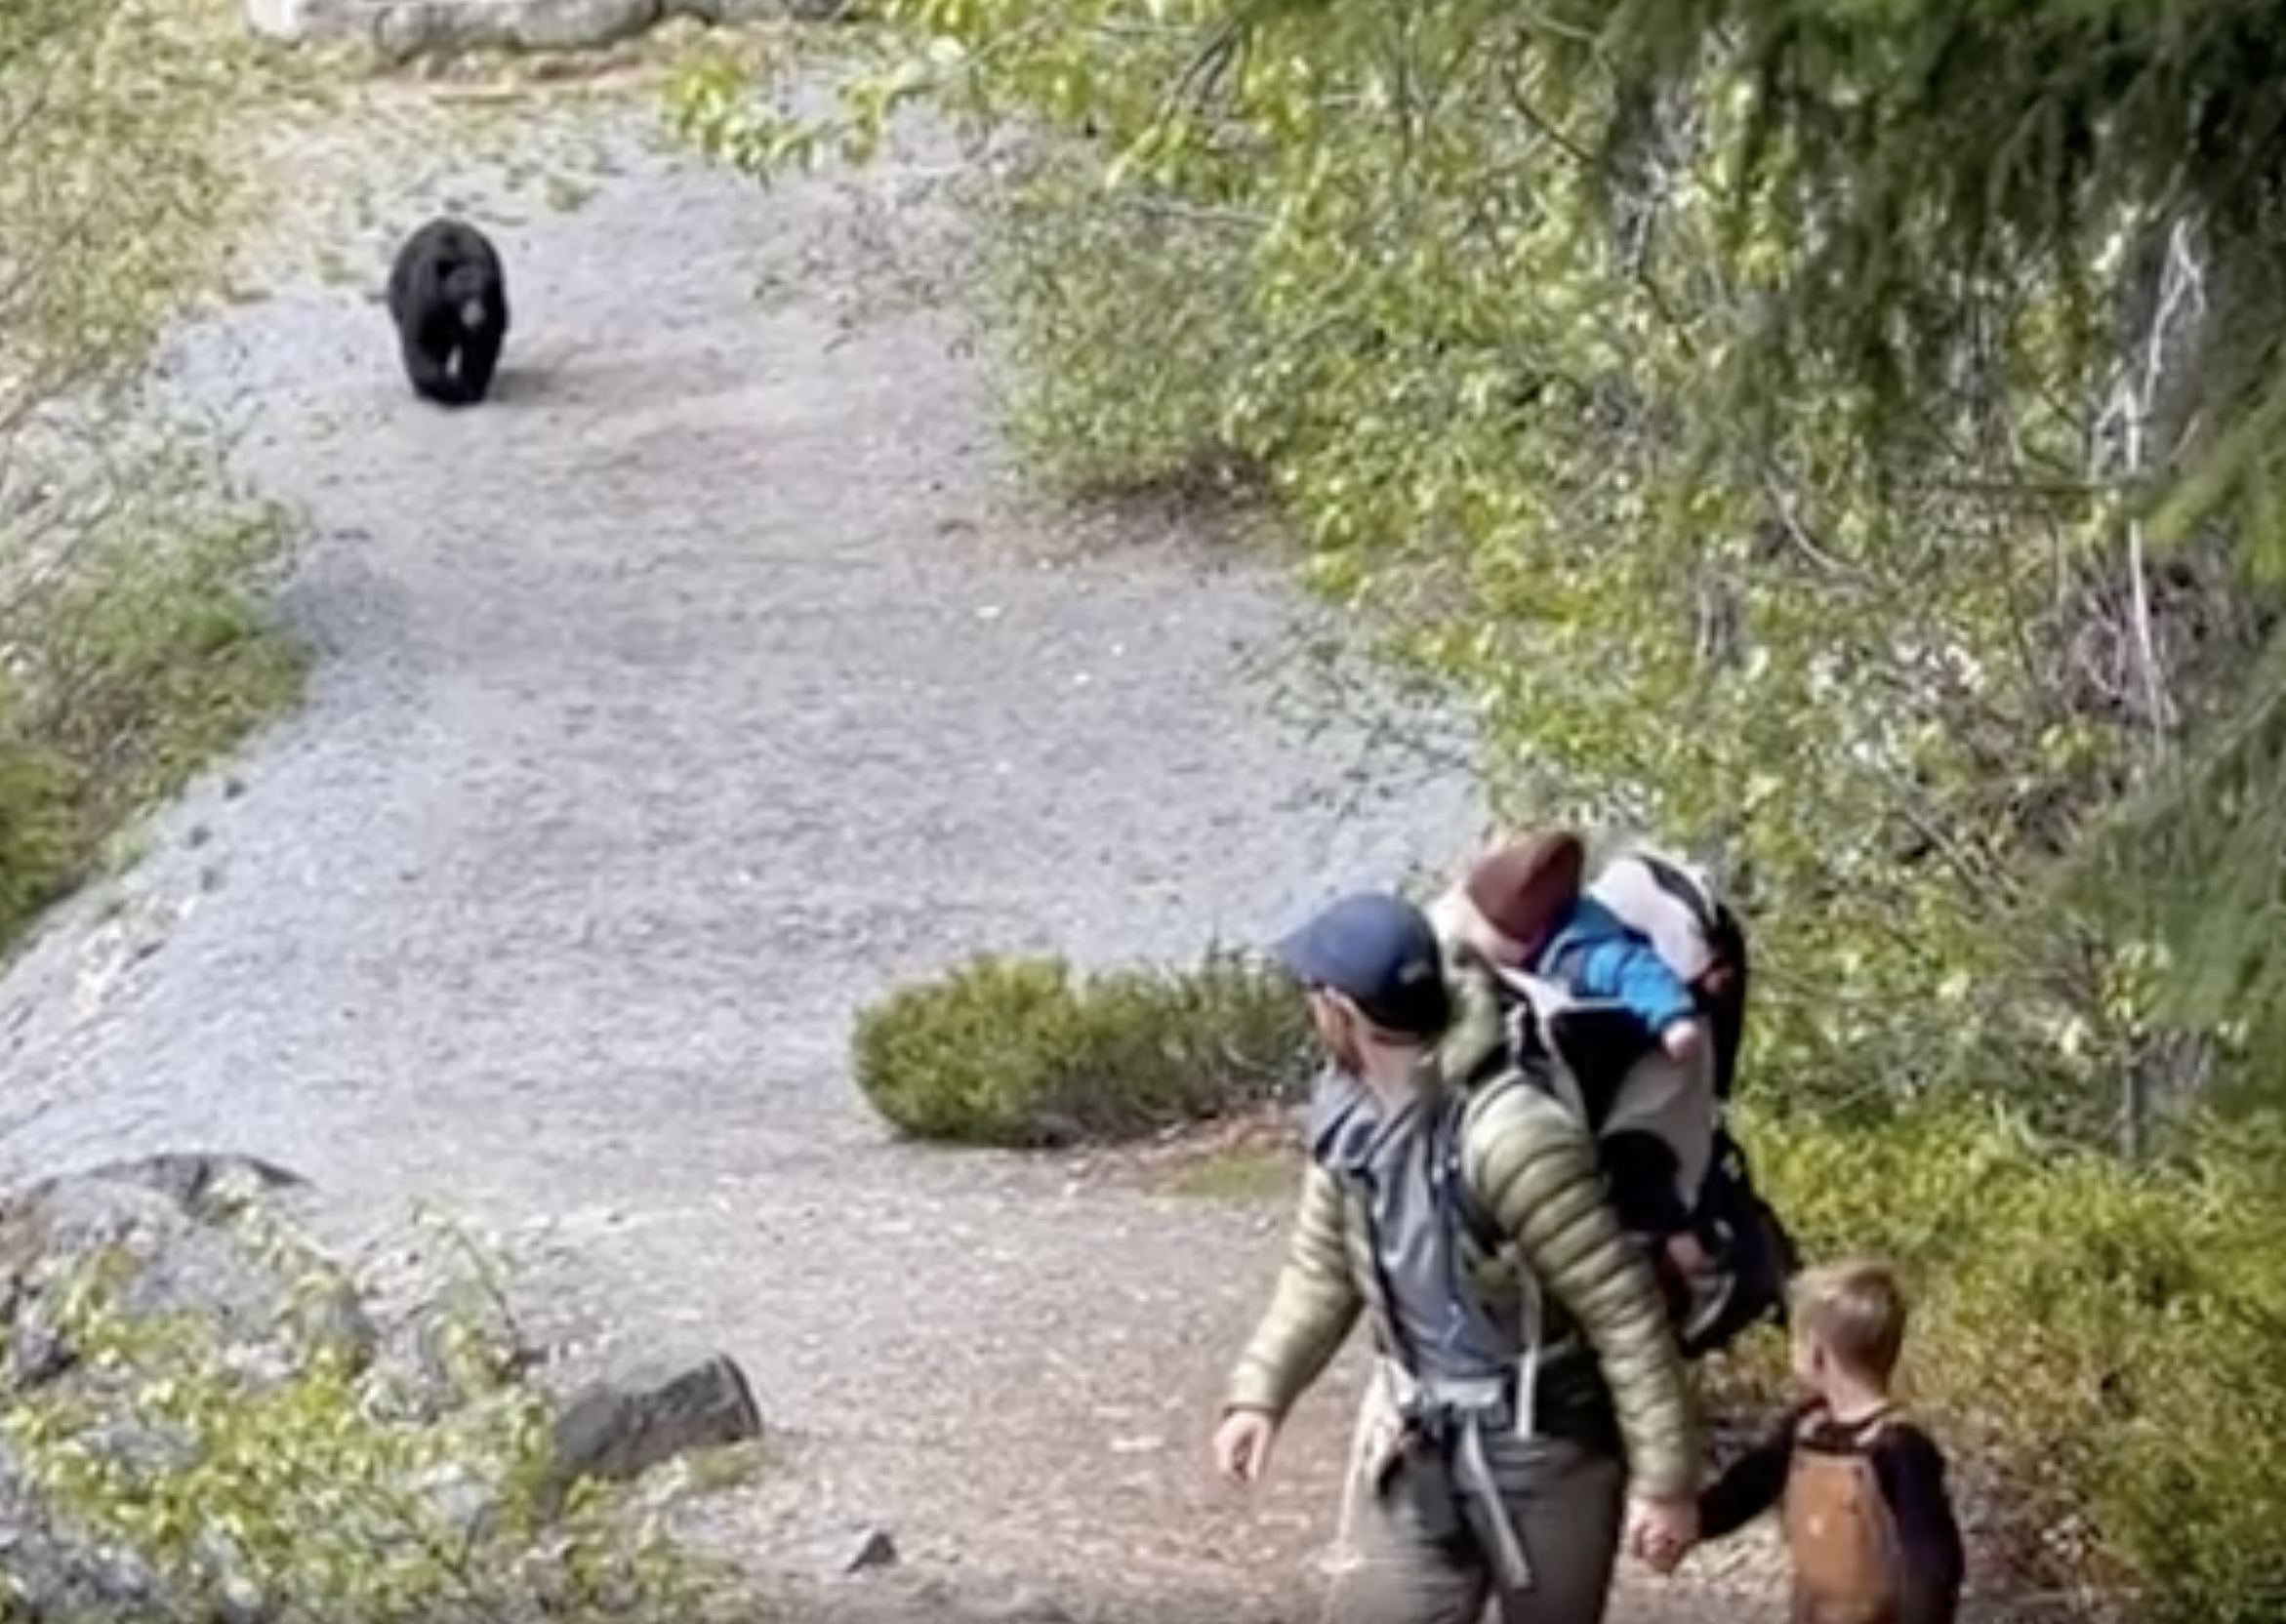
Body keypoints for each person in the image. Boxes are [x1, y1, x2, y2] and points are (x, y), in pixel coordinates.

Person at [1212, 890, 1702, 1624]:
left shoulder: (1513, 1134)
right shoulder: (1345, 1118)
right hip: (1419, 1441)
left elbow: (1622, 1312)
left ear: (1342, 1010)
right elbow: (1319, 1273)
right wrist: (1260, 1394)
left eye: (1313, 995)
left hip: (1549, 1447)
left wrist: (1666, 1483)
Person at [1427, 831, 1728, 1341]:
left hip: (1653, 1075)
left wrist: (1672, 1018)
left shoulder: (1580, 954)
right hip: (1622, 1058)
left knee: (1645, 1187)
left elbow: (1639, 971)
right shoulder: (1549, 918)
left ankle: (1699, 1270)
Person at [1649, 1258, 1967, 1624]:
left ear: (1817, 1353)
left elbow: (1933, 1562)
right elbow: (1748, 1487)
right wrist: (1692, 1521)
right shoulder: (1807, 1428)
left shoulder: (1899, 1447)